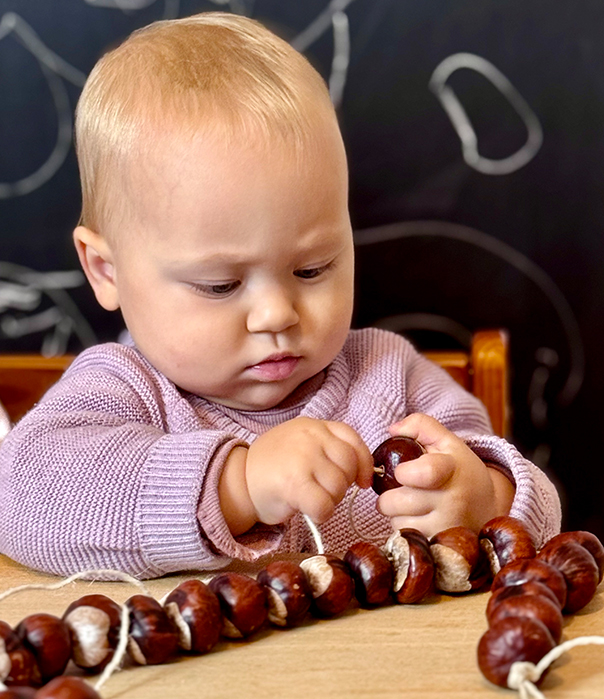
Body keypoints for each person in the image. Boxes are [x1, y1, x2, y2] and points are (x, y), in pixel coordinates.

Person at [0, 13, 560, 579]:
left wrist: (485, 499)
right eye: (220, 285)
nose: (276, 313)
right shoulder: (120, 391)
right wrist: (235, 486)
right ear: (106, 271)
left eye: (313, 268)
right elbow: (23, 501)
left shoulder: (390, 378)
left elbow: (530, 507)